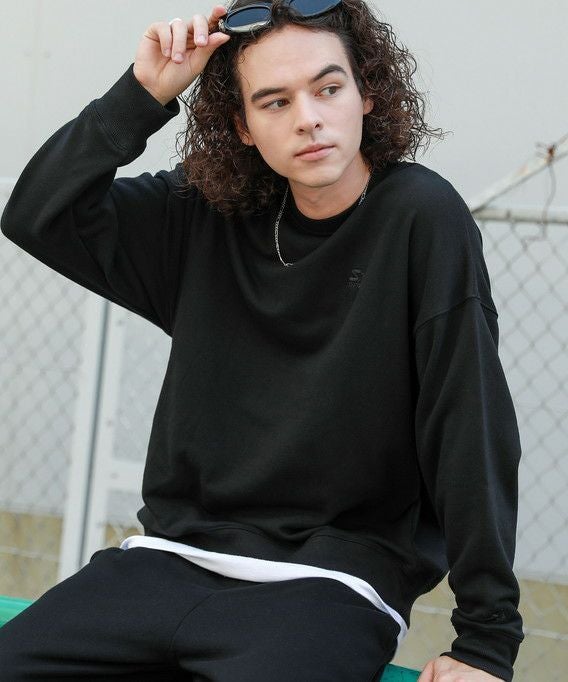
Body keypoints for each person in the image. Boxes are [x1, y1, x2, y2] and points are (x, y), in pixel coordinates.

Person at [0, 1, 524, 680]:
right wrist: (144, 93)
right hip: (167, 560)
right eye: (275, 102)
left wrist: (486, 643)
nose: (308, 118)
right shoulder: (206, 213)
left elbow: (468, 421)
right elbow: (37, 214)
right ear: (243, 127)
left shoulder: (421, 216)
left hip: (329, 584)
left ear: (366, 92)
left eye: (328, 89)